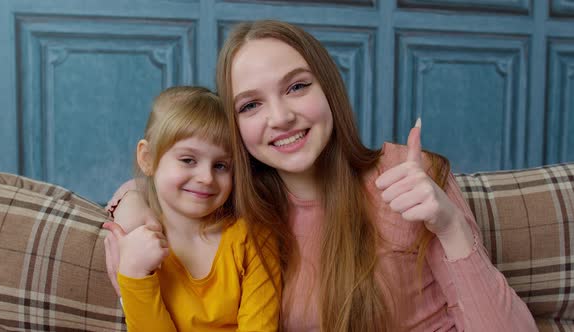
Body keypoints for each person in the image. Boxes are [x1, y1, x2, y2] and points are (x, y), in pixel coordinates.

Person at [106, 21, 536, 331]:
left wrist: (450, 225)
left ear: (328, 88)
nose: (281, 117)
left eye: (297, 87)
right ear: (236, 128)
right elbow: (158, 179)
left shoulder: (409, 176)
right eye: (250, 105)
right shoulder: (244, 209)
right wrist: (133, 203)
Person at [102, 86, 280, 331]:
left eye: (220, 166)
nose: (206, 177)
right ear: (147, 158)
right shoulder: (140, 245)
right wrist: (134, 273)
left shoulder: (253, 239)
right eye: (188, 160)